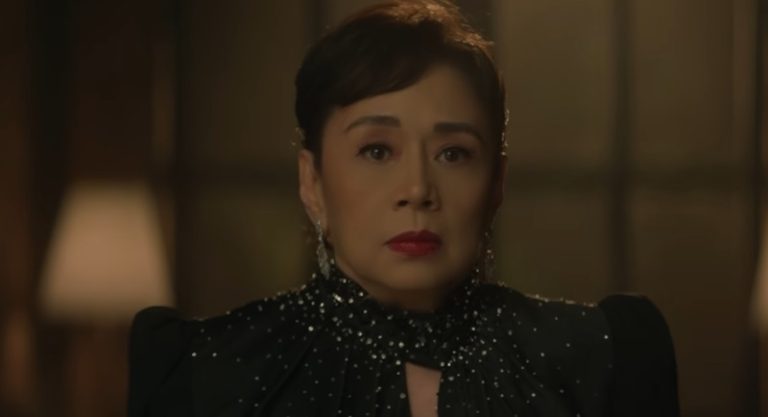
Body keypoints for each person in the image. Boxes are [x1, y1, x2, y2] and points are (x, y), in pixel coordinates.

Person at [127, 1, 680, 416]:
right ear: (312, 182)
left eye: (453, 153)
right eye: (376, 150)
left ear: (496, 183)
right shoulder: (207, 373)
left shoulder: (603, 359)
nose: (417, 189)